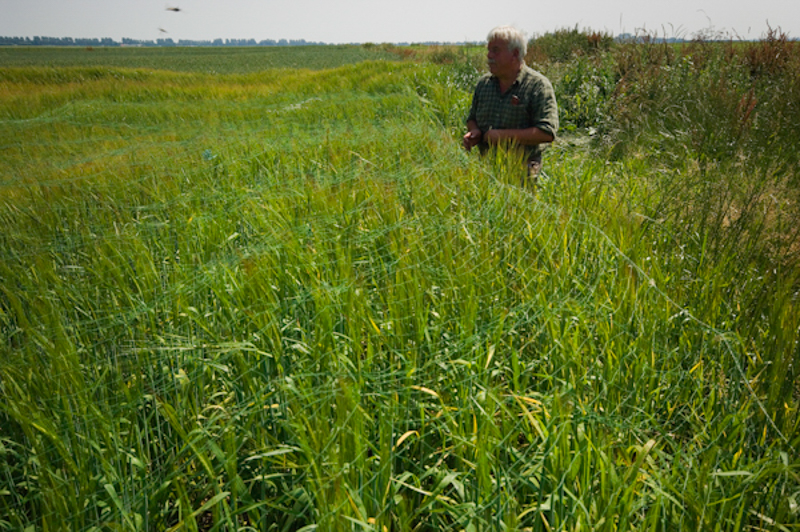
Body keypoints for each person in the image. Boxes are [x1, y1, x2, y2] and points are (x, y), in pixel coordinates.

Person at [463, 26, 559, 185]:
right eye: (488, 50)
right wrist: (475, 132)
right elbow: (472, 118)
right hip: (486, 170)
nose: (489, 56)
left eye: (495, 50)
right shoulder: (484, 84)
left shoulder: (537, 86)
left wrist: (501, 136)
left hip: (523, 174)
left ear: (515, 54)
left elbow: (547, 132)